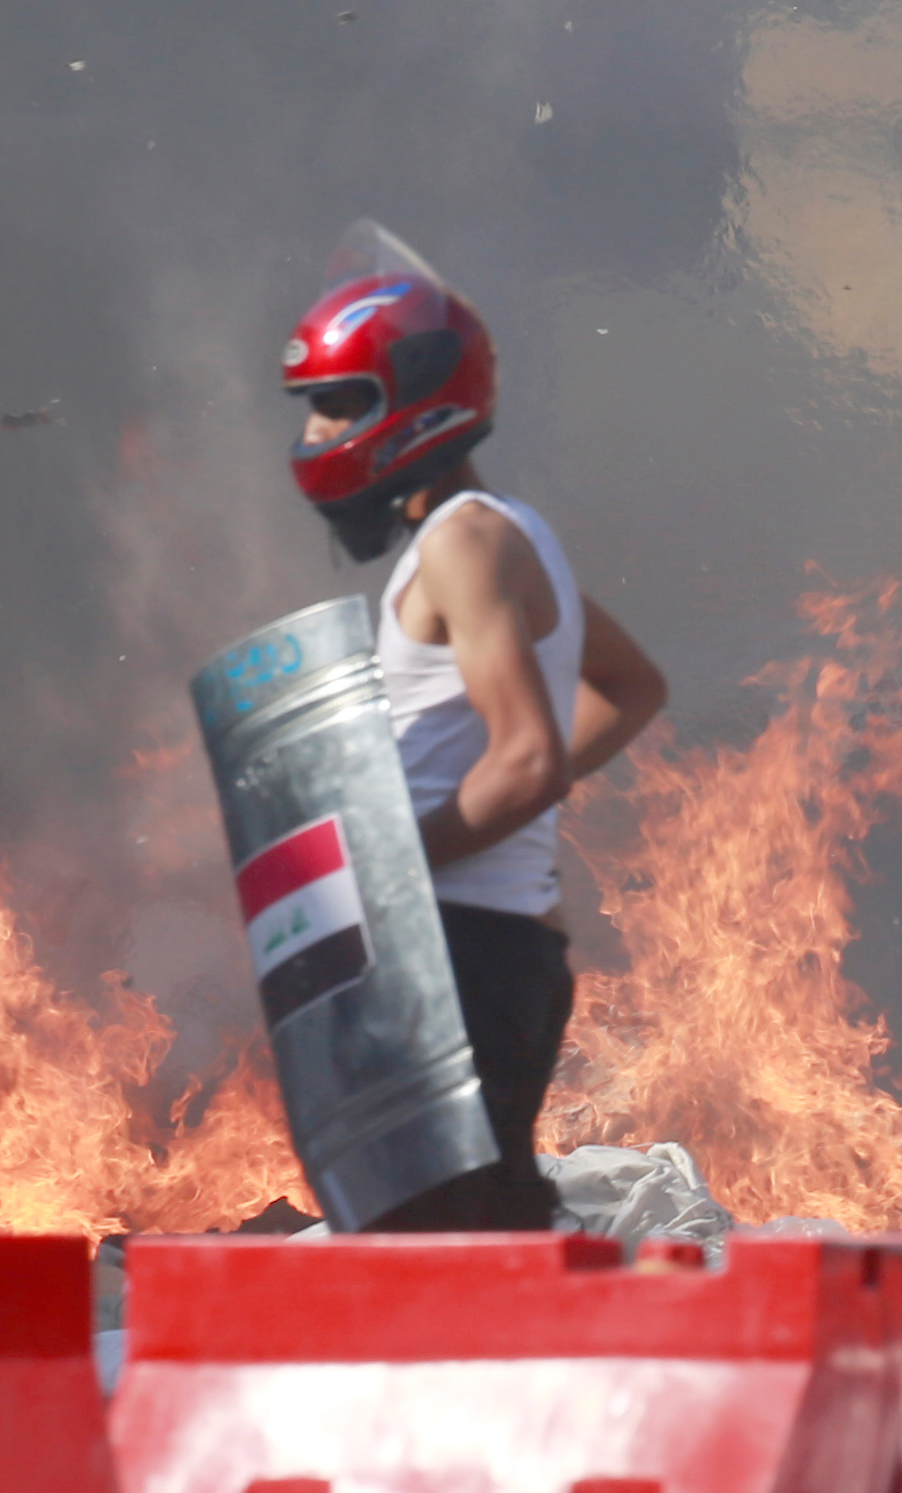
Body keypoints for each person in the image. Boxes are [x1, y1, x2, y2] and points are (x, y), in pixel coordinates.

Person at [282, 220, 669, 1227]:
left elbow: (530, 754)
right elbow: (631, 687)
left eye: (335, 403)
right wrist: (499, 812)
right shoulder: (507, 534)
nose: (316, 433)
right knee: (482, 1246)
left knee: (434, 1269)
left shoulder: (465, 543)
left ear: (408, 401)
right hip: (494, 951)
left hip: (456, 953)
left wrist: (392, 857)